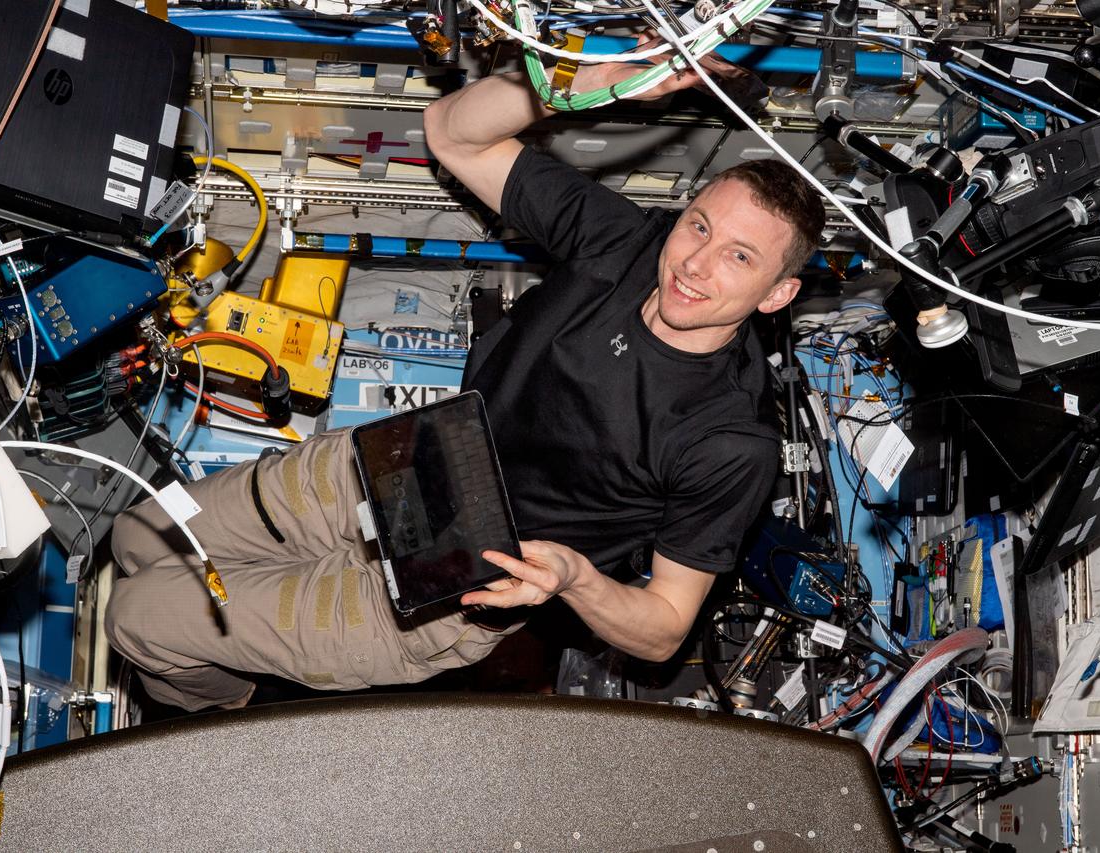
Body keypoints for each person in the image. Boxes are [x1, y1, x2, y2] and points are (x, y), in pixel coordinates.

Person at [104, 58, 826, 711]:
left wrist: (575, 578)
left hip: (450, 590)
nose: (696, 265)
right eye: (698, 227)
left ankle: (223, 707)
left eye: (738, 256)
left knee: (137, 620)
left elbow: (666, 628)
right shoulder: (627, 241)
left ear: (776, 292)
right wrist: (588, 80)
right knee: (134, 535)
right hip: (382, 465)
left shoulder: (730, 439)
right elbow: (453, 133)